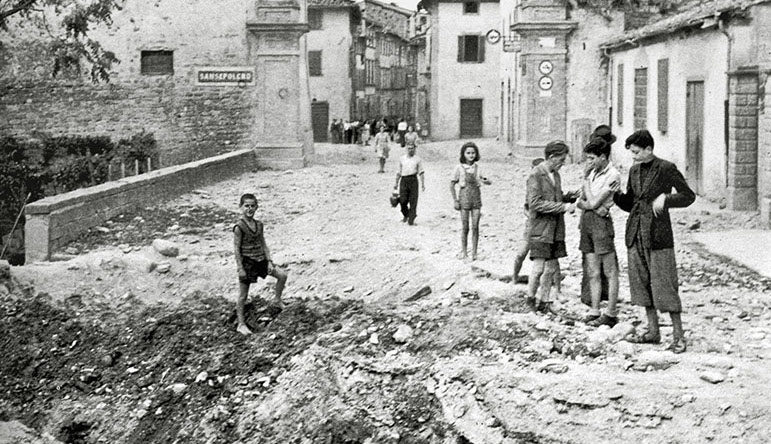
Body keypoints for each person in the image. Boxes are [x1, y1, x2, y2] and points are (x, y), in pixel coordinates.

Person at [614, 130, 695, 353]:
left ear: (649, 149)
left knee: (664, 283)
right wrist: (616, 196)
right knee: (641, 282)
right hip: (636, 232)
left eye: (637, 153)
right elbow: (632, 203)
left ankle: (678, 337)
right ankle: (653, 331)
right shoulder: (634, 170)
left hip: (658, 235)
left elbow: (688, 196)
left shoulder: (666, 168)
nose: (634, 157)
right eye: (632, 153)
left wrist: (666, 199)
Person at [525, 140, 579, 314]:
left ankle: (544, 300)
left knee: (549, 269)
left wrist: (569, 197)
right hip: (540, 228)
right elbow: (535, 203)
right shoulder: (535, 175)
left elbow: (555, 197)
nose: (563, 163)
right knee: (539, 268)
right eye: (561, 159)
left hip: (555, 228)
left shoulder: (555, 174)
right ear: (551, 157)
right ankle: (530, 298)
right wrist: (562, 207)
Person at [577, 138, 622, 327]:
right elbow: (580, 201)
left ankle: (611, 312)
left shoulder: (613, 175)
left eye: (592, 158)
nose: (589, 162)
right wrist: (589, 203)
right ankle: (595, 310)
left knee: (610, 270)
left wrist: (586, 183)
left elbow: (594, 202)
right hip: (587, 221)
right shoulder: (594, 172)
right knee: (593, 270)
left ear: (603, 157)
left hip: (602, 224)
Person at [233, 193, 289, 335]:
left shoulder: (259, 225)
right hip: (248, 263)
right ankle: (241, 324)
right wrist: (240, 268)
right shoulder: (239, 227)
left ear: (256, 207)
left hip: (261, 260)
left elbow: (263, 244)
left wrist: (269, 261)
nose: (249, 209)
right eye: (246, 206)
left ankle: (277, 300)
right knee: (243, 296)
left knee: (282, 275)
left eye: (252, 206)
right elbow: (236, 249)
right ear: (241, 207)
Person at [450, 142, 492, 261]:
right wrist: (455, 200)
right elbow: (452, 184)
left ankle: (474, 253)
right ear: (463, 154)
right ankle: (464, 253)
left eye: (473, 153)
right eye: (468, 153)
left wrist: (486, 180)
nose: (471, 155)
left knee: (475, 227)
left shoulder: (478, 168)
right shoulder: (459, 168)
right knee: (465, 227)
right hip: (464, 198)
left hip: (476, 198)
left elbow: (488, 181)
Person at [512, 158, 544, 284]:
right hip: (531, 225)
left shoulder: (549, 185)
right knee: (521, 254)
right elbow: (525, 208)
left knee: (545, 258)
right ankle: (514, 277)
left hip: (544, 226)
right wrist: (530, 215)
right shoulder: (531, 186)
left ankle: (551, 285)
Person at [394, 144, 425, 225]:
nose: (410, 150)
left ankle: (411, 219)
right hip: (404, 180)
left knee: (413, 201)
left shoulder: (417, 159)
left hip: (413, 180)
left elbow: (421, 172)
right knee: (402, 200)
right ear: (406, 149)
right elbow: (398, 172)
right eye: (409, 148)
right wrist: (396, 183)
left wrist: (423, 184)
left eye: (412, 148)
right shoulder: (402, 159)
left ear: (415, 149)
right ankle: (406, 214)